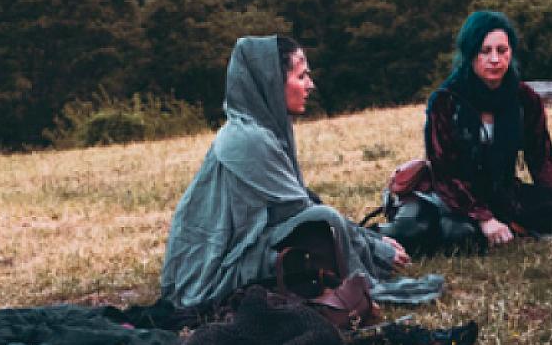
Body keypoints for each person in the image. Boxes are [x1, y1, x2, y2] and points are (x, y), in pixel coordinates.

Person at [161, 35, 443, 309]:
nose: (310, 85)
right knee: (322, 223)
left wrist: (372, 239)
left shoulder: (264, 130)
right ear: (272, 82)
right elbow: (299, 211)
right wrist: (375, 246)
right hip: (214, 271)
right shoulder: (247, 138)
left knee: (320, 227)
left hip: (244, 249)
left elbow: (297, 204)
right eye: (301, 76)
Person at [380, 11, 552, 252]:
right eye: (485, 51)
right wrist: (484, 218)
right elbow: (445, 172)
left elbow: (543, 161)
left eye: (502, 50)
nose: (495, 59)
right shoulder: (446, 101)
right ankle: (384, 232)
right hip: (447, 194)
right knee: (454, 235)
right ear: (470, 53)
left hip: (500, 193)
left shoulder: (524, 99)